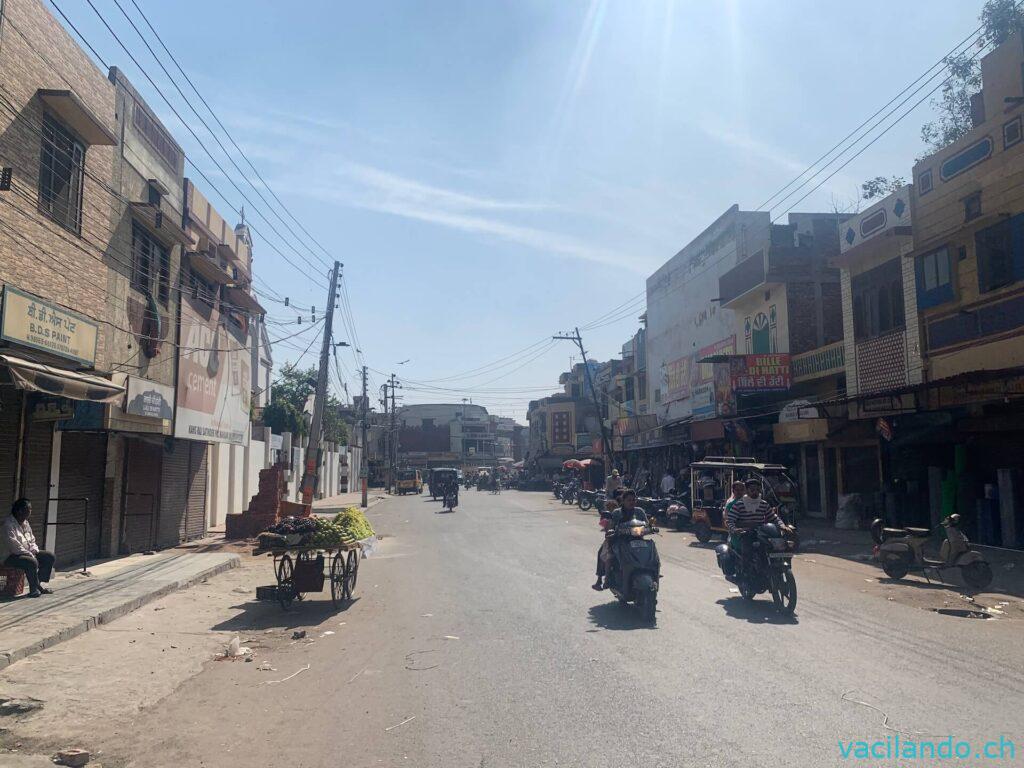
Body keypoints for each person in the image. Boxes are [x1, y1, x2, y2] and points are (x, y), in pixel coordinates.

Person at [593, 489, 648, 590]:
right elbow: (611, 526)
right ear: (623, 501)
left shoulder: (639, 511)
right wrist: (610, 531)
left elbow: (647, 524)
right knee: (607, 554)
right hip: (619, 540)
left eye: (633, 500)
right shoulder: (617, 512)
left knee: (650, 552)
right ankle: (604, 579)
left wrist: (651, 528)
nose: (632, 502)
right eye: (629, 500)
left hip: (638, 540)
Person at [726, 479, 789, 565]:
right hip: (746, 533)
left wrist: (782, 525)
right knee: (748, 552)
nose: (755, 492)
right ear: (747, 491)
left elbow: (774, 517)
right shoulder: (739, 504)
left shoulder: (763, 504)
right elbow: (730, 520)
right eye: (752, 490)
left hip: (761, 533)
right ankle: (746, 572)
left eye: (757, 490)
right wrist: (734, 529)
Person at [2, 498, 55, 598]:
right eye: (28, 509)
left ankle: (38, 584)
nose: (30, 512)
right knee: (31, 562)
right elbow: (15, 547)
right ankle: (33, 590)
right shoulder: (8, 525)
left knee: (49, 556)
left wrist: (34, 550)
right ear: (20, 511)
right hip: (10, 556)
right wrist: (30, 555)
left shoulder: (25, 523)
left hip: (27, 553)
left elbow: (32, 540)